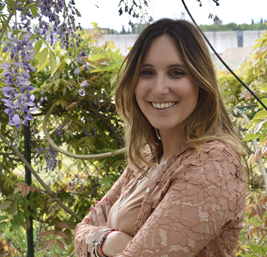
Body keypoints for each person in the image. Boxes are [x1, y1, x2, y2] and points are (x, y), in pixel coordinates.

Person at [74, 18, 247, 257]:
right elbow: (82, 229)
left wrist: (97, 244)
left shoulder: (215, 163)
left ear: (200, 81)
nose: (159, 88)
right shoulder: (148, 156)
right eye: (147, 72)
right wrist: (109, 240)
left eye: (176, 73)